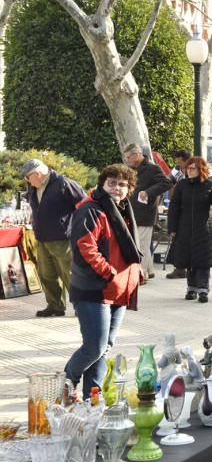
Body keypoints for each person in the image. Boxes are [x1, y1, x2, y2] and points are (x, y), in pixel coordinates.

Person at [65, 163, 143, 399]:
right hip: (94, 289)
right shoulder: (91, 209)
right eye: (111, 183)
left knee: (104, 348)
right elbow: (84, 249)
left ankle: (92, 398)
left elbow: (129, 247)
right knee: (94, 347)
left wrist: (135, 271)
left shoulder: (123, 209)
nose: (116, 188)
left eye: (122, 184)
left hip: (118, 289)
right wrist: (109, 273)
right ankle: (66, 384)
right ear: (102, 184)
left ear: (128, 189)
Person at [21, 158, 86, 317]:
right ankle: (55, 306)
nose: (26, 180)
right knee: (47, 275)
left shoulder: (64, 184)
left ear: (36, 173)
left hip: (63, 239)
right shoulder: (35, 188)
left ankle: (82, 307)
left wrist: (78, 229)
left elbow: (85, 205)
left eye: (27, 177)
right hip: (43, 239)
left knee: (69, 275)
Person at [166, 157, 212, 303]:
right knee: (189, 257)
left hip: (204, 224)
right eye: (187, 168)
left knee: (203, 258)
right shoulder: (181, 185)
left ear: (201, 169)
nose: (189, 171)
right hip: (184, 224)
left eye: (192, 168)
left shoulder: (209, 184)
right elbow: (174, 206)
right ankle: (191, 289)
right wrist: (172, 226)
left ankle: (203, 290)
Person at [123, 143, 173, 282]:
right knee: (140, 243)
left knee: (142, 245)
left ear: (137, 154)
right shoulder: (130, 168)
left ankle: (142, 275)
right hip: (133, 211)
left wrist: (148, 192)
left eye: (129, 157)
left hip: (146, 212)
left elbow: (167, 183)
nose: (127, 160)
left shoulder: (152, 168)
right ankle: (149, 271)